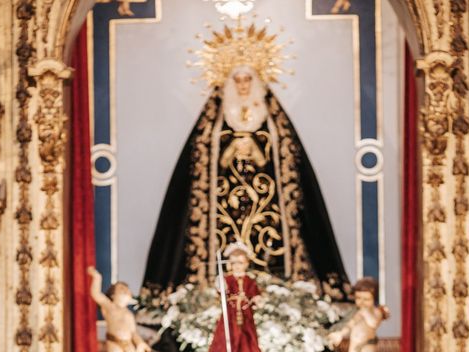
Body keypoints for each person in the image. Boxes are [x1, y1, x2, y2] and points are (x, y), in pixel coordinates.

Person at [142, 23, 349, 296]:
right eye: (237, 80)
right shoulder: (214, 121)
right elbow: (200, 167)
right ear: (228, 81)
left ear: (257, 80)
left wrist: (253, 147)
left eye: (247, 79)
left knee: (270, 248)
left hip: (267, 206)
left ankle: (275, 291)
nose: (242, 85)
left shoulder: (272, 120)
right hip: (222, 206)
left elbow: (286, 164)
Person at [87, 266, 151, 352]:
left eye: (127, 290)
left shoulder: (129, 315)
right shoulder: (109, 307)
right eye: (121, 289)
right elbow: (96, 294)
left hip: (128, 343)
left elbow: (133, 332)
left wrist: (140, 343)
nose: (125, 291)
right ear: (113, 295)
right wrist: (97, 278)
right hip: (114, 341)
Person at [328, 277, 389, 352]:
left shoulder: (376, 311)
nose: (362, 302)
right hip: (354, 343)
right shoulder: (357, 312)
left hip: (367, 343)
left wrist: (366, 313)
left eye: (366, 299)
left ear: (374, 299)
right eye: (358, 298)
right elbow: (350, 324)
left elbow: (373, 323)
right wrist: (340, 334)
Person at [207, 242, 263, 352]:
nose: (237, 266)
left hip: (245, 311)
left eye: (240, 263)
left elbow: (254, 293)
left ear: (246, 263)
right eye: (234, 263)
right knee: (229, 333)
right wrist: (221, 286)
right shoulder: (227, 278)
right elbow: (221, 293)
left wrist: (257, 299)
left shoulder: (249, 279)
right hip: (230, 311)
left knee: (247, 333)